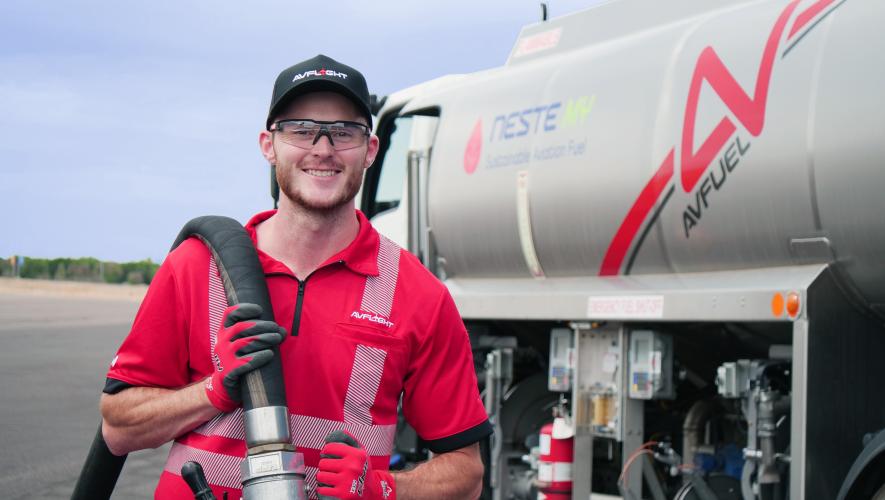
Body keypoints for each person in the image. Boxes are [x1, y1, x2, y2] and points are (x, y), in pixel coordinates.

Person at [100, 54, 492, 499]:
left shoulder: (418, 295)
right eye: (301, 130)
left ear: (370, 150)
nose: (322, 148)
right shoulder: (196, 266)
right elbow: (117, 428)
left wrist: (382, 490)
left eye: (344, 132)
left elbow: (466, 474)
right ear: (269, 145)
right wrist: (211, 391)